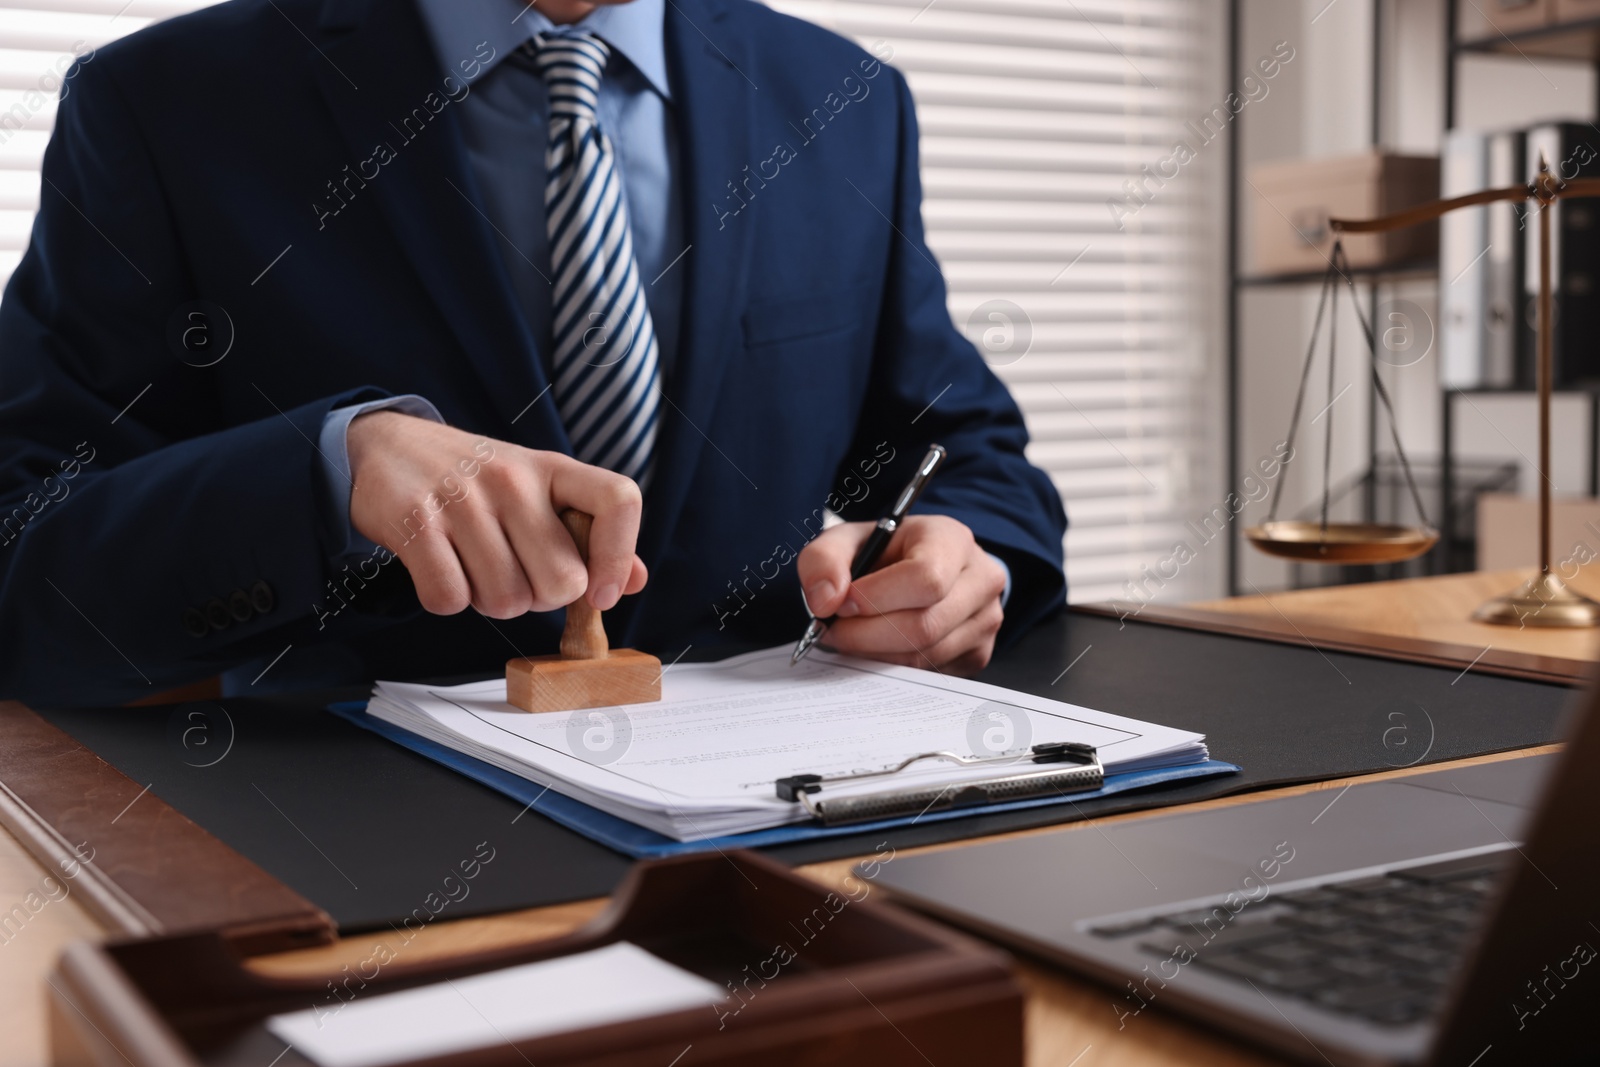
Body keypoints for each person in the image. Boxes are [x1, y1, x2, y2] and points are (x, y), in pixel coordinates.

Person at [0, 0, 1066, 706]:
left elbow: (962, 445)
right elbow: (24, 554)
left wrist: (970, 558)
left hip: (785, 855)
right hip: (351, 866)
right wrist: (327, 472)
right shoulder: (165, 101)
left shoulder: (843, 97)